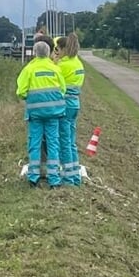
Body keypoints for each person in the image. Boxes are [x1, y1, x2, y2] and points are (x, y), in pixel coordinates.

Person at [16, 39, 66, 188]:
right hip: (53, 113)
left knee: (35, 144)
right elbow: (62, 90)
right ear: (49, 52)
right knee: (53, 144)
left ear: (35, 53)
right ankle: (54, 179)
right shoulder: (55, 69)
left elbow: (21, 91)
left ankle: (33, 177)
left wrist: (30, 97)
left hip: (36, 114)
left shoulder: (29, 69)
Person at [56, 33, 85, 186]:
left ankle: (67, 178)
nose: (56, 52)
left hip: (64, 104)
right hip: (74, 103)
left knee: (64, 142)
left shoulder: (63, 65)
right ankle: (75, 176)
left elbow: (55, 83)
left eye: (57, 49)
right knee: (72, 142)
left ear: (64, 49)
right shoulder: (78, 63)